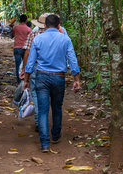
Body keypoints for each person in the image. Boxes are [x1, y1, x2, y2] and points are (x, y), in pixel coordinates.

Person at [23, 14, 80, 153]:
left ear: (45, 26)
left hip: (42, 76)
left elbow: (30, 62)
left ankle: (44, 143)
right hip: (59, 77)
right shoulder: (65, 39)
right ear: (59, 25)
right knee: (57, 107)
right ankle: (55, 135)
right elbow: (72, 60)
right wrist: (76, 79)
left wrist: (26, 79)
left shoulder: (38, 39)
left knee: (42, 110)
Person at [20, 14, 66, 132]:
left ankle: (38, 123)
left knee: (36, 96)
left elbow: (27, 54)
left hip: (37, 70)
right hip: (56, 72)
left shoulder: (33, 35)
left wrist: (25, 72)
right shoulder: (61, 36)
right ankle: (54, 132)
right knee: (56, 105)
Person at [12, 14, 31, 84]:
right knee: (25, 65)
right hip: (25, 49)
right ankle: (24, 79)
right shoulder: (28, 29)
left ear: (19, 20)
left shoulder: (15, 28)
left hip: (17, 48)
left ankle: (19, 80)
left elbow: (12, 35)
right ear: (26, 21)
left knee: (17, 64)